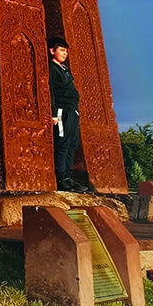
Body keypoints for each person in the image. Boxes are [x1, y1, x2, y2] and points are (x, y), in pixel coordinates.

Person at [48, 36, 87, 192]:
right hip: (61, 111)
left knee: (72, 144)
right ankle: (61, 178)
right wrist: (53, 113)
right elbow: (50, 90)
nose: (65, 54)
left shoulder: (64, 68)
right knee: (63, 144)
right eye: (62, 50)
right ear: (52, 51)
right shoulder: (52, 68)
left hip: (73, 110)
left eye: (66, 51)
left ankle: (69, 178)